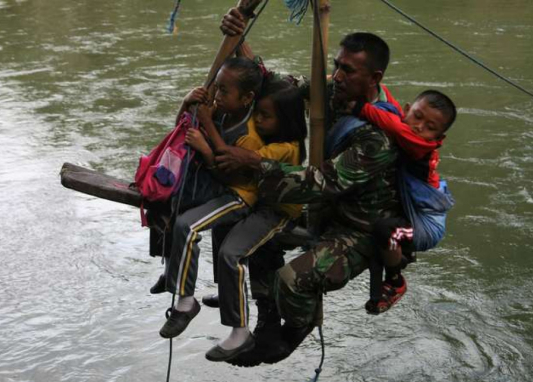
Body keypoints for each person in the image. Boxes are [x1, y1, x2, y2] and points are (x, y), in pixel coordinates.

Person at [220, 9, 406, 364]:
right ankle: (268, 319)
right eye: (336, 65)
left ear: (375, 77)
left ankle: (294, 329)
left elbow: (323, 183)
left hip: (359, 227)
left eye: (348, 71)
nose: (337, 76)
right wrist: (238, 39)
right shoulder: (332, 89)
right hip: (320, 208)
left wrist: (257, 163)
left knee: (293, 279)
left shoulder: (378, 136)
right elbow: (274, 85)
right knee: (255, 232)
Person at [159, 56, 265, 339]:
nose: (216, 96)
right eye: (215, 88)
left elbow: (231, 177)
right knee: (164, 200)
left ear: (247, 98)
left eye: (224, 91)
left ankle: (185, 303)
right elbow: (180, 128)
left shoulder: (248, 134)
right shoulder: (220, 111)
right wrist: (187, 102)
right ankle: (172, 270)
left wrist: (206, 147)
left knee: (187, 225)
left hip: (237, 194)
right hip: (215, 185)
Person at [204, 79, 308, 362]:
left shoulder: (284, 147)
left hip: (276, 212)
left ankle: (240, 332)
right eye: (257, 113)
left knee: (231, 252)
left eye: (265, 116)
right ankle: (228, 293)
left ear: (284, 119)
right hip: (259, 202)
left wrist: (207, 126)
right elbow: (252, 75)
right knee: (220, 227)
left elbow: (238, 157)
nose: (257, 120)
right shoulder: (273, 138)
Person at [351, 89, 457, 315]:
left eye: (431, 128)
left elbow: (397, 128)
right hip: (417, 211)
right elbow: (389, 102)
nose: (420, 127)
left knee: (385, 231)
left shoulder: (421, 147)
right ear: (407, 109)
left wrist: (361, 108)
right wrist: (374, 85)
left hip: (427, 226)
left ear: (439, 139)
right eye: (417, 117)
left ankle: (395, 281)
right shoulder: (404, 120)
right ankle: (399, 253)